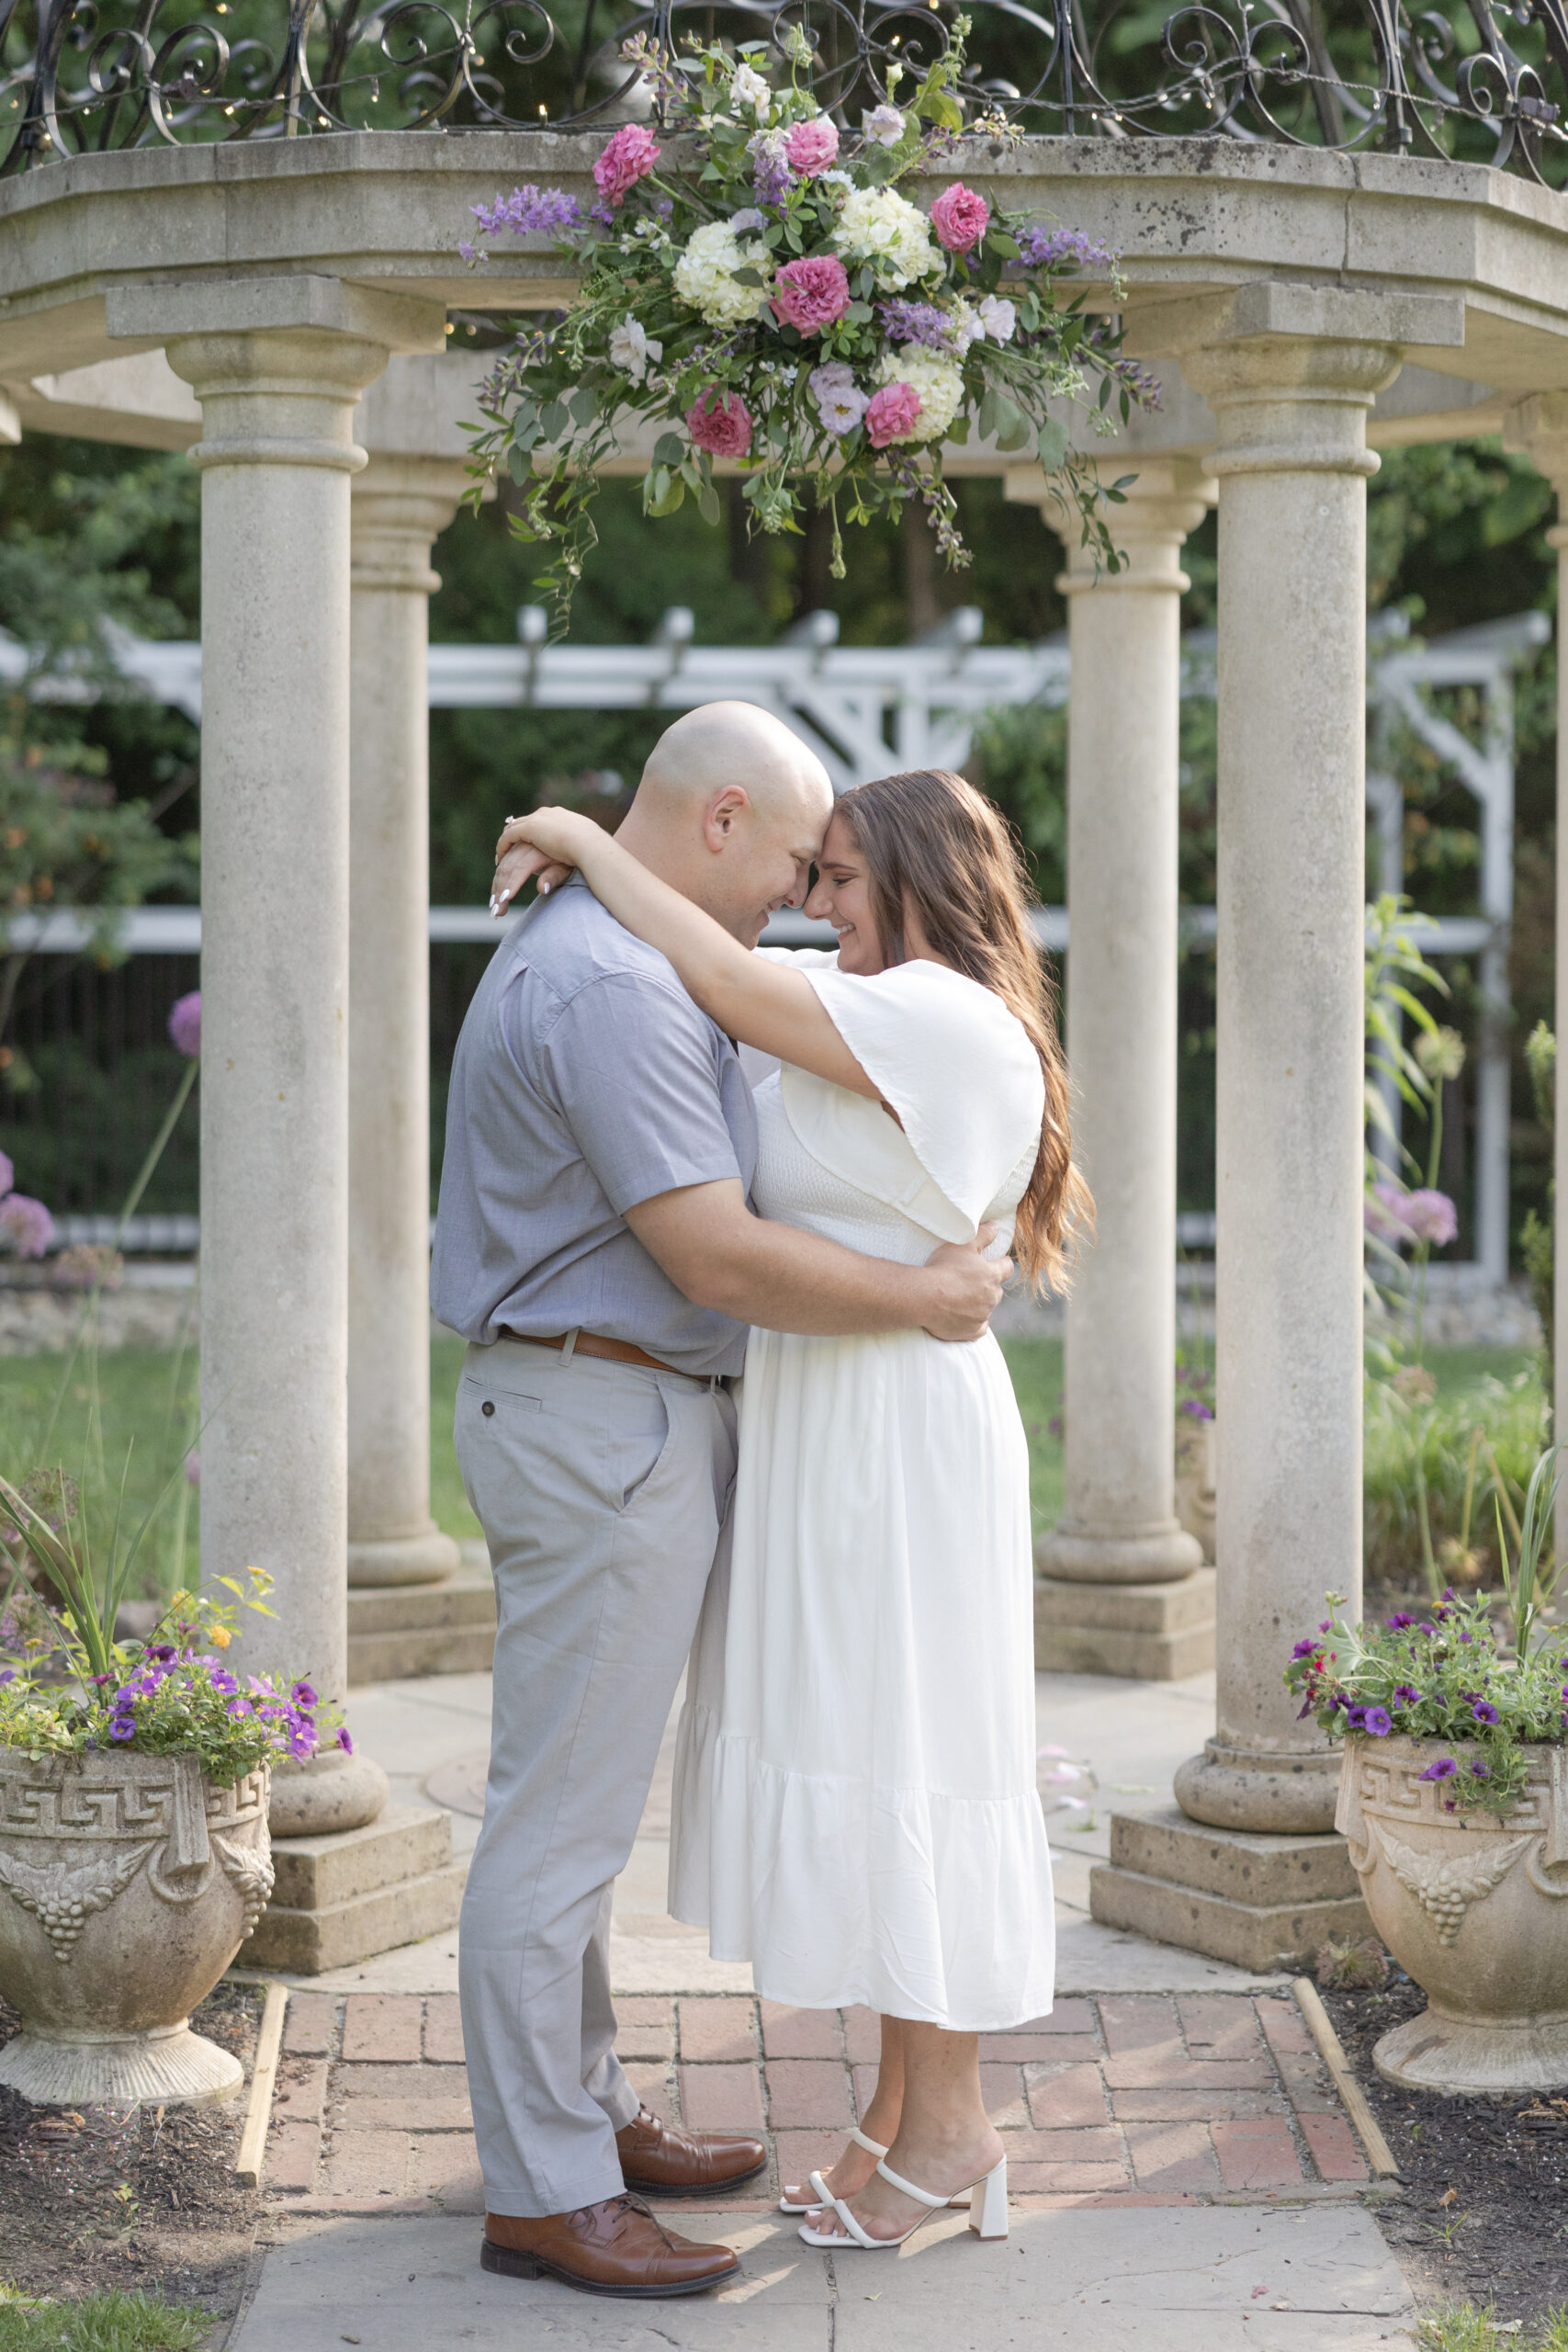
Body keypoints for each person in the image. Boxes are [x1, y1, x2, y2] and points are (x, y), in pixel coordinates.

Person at [433, 703, 1010, 2301]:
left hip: (613, 1405)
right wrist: (922, 1292)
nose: (796, 904)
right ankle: (548, 2187)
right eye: (791, 865)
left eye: (836, 878)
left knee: (579, 1810)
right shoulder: (620, 982)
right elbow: (714, 1253)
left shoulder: (628, 947)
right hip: (600, 1408)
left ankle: (586, 2114)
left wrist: (587, 845)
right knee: (558, 1826)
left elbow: (765, 999)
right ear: (720, 822)